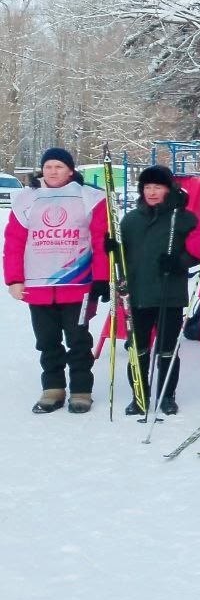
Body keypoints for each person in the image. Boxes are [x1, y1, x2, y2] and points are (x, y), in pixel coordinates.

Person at [4, 147, 109, 413]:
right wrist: (14, 279)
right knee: (47, 340)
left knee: (78, 340)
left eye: (59, 167)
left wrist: (102, 277)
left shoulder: (90, 198)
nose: (53, 171)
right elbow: (14, 242)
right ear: (42, 169)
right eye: (49, 166)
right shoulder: (27, 199)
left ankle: (81, 390)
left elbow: (100, 239)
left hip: (78, 284)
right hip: (38, 286)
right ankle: (53, 388)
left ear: (70, 170)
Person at [118, 164, 200, 416]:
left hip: (170, 294)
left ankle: (167, 395)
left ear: (169, 189)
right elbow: (120, 256)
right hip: (138, 294)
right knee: (138, 347)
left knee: (167, 348)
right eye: (147, 187)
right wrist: (111, 247)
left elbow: (198, 250)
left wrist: (180, 262)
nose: (152, 192)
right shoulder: (131, 220)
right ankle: (139, 395)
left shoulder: (183, 218)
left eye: (158, 187)